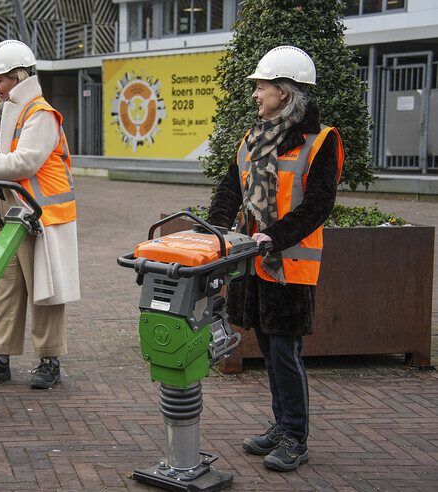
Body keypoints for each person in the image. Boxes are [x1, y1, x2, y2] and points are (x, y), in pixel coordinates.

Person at [207, 46, 344, 472]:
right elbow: (231, 191)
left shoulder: (322, 140)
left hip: (290, 264)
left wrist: (273, 236)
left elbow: (318, 205)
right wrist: (211, 235)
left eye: (261, 86)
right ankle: (281, 424)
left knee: (285, 350)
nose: (255, 94)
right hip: (255, 260)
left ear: (285, 93)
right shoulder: (252, 138)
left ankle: (295, 437)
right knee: (268, 348)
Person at [0, 40, 80, 389]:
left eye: (0, 80)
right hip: (10, 210)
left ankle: (49, 361)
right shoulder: (5, 111)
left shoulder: (40, 113)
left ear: (18, 77)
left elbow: (24, 161)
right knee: (5, 285)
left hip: (40, 215)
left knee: (45, 290)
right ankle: (0, 357)